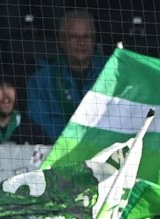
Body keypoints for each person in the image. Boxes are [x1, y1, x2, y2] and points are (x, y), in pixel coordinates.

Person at [29, 10, 107, 141]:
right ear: (62, 41)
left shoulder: (113, 73)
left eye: (86, 37)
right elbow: (41, 124)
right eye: (74, 37)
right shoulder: (41, 81)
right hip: (58, 153)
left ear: (94, 40)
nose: (81, 43)